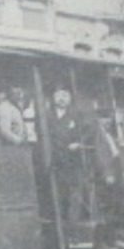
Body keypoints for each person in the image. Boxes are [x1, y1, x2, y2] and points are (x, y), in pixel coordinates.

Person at [47, 88, 91, 225]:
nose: (62, 98)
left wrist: (79, 143)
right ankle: (58, 220)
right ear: (53, 97)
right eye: (59, 95)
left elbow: (88, 132)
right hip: (54, 159)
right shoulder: (47, 115)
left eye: (65, 95)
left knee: (75, 191)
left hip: (72, 159)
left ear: (70, 98)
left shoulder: (76, 115)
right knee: (58, 191)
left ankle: (73, 222)